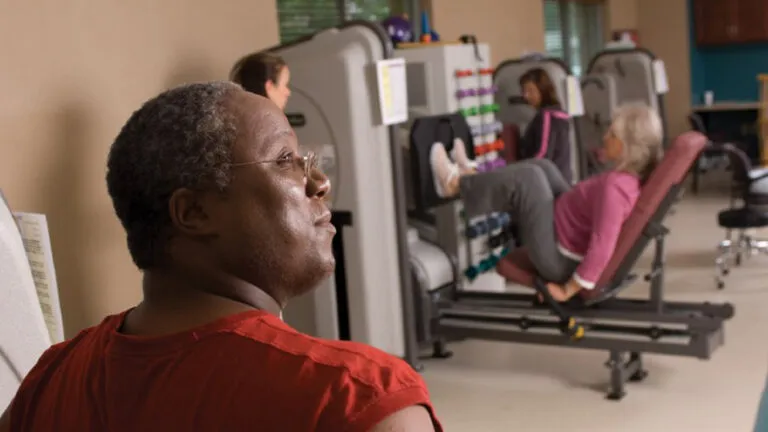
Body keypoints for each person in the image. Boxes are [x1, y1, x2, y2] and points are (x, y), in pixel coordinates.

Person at [0, 82, 441, 432]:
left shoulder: (51, 382)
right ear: (194, 212)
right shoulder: (357, 400)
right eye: (286, 159)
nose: (319, 182)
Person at [430, 103, 663, 302]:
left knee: (529, 180)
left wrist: (566, 290)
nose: (605, 137)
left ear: (625, 147)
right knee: (543, 166)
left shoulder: (615, 189)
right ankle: (472, 175)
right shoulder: (627, 181)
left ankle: (455, 186)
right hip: (562, 226)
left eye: (611, 134)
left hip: (557, 257)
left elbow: (603, 246)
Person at [517, 68, 573, 183]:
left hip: (549, 183)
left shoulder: (546, 116)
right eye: (524, 91)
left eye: (531, 91)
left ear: (543, 90)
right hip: (561, 179)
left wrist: (521, 172)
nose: (526, 96)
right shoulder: (560, 114)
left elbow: (543, 153)